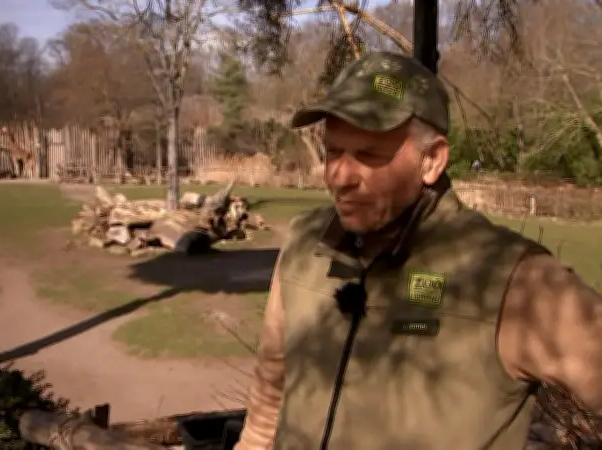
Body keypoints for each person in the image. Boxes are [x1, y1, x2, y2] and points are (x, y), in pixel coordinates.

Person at [234, 52, 602, 450]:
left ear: (431, 160)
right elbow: (271, 392)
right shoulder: (305, 242)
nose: (339, 176)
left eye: (369, 155)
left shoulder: (514, 279)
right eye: (333, 152)